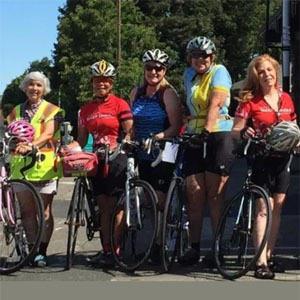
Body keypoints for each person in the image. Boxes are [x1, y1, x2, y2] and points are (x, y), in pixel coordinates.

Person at [232, 54, 298, 279]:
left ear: (276, 72)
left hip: (283, 158)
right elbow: (235, 129)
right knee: (263, 208)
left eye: (270, 70)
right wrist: (244, 132)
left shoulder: (286, 98)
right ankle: (259, 261)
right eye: (262, 72)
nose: (267, 75)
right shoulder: (250, 100)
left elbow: (294, 125)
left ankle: (269, 255)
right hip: (261, 156)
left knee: (277, 206)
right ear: (256, 76)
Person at [68, 60, 133, 266]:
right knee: (104, 207)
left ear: (111, 83)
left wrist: (122, 144)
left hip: (117, 157)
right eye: (97, 81)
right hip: (97, 159)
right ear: (92, 83)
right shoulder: (85, 110)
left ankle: (116, 249)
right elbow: (80, 139)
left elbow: (130, 131)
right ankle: (106, 250)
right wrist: (68, 150)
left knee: (116, 206)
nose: (101, 84)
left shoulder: (119, 104)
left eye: (105, 81)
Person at [179, 36, 234, 266]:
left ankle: (218, 247)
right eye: (195, 56)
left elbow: (216, 102)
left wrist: (208, 131)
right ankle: (194, 248)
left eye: (204, 56)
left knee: (214, 193)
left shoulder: (219, 71)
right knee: (194, 194)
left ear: (211, 57)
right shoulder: (188, 75)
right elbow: (189, 105)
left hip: (218, 132)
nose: (199, 59)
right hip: (194, 133)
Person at [130, 49, 183, 264]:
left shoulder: (168, 93)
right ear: (143, 69)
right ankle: (153, 240)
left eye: (158, 68)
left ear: (164, 70)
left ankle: (160, 244)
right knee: (148, 200)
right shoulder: (136, 92)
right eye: (149, 67)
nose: (153, 72)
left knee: (160, 199)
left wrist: (159, 136)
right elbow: (130, 122)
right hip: (142, 152)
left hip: (163, 151)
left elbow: (176, 125)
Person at [7, 71, 65, 267]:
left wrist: (31, 145)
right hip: (20, 168)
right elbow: (10, 136)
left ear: (44, 89)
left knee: (44, 212)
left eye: (39, 85)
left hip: (44, 167)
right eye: (31, 84)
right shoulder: (15, 111)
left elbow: (48, 134)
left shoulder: (52, 110)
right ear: (25, 87)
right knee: (27, 211)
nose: (34, 88)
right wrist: (15, 145)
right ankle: (31, 249)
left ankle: (42, 251)